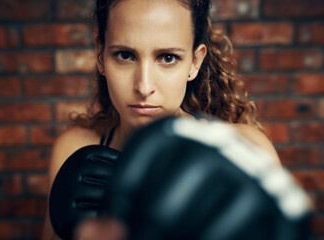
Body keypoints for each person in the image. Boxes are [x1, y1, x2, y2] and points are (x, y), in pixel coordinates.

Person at [41, 0, 281, 239]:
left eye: (167, 58)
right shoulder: (74, 150)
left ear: (195, 62)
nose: (144, 87)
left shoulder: (246, 151)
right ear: (100, 54)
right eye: (125, 55)